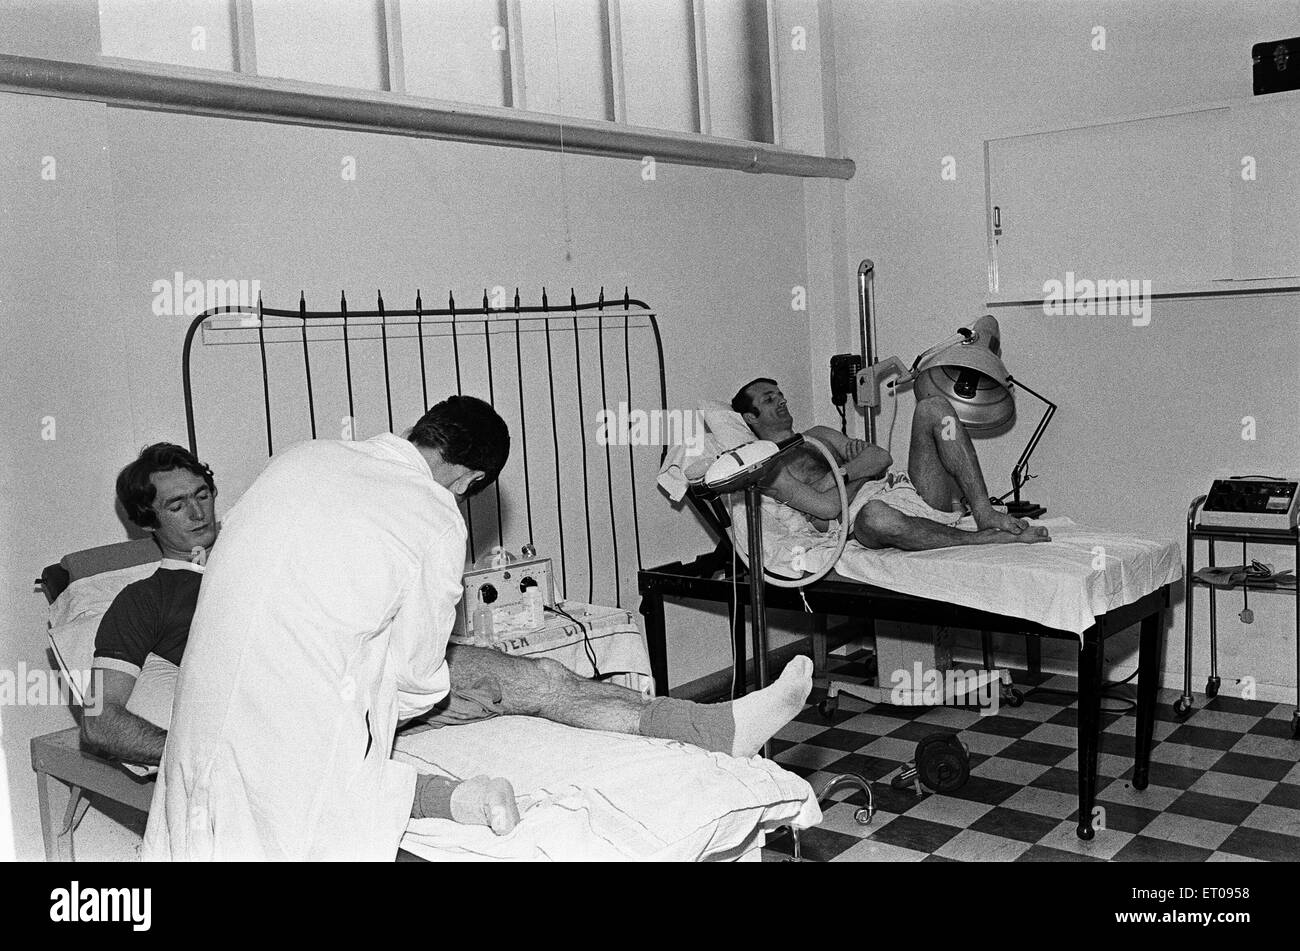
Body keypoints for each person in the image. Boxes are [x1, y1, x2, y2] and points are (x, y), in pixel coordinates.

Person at [123, 401, 808, 860]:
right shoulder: (432, 513)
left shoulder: (302, 458)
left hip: (230, 738)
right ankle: (467, 795)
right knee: (508, 686)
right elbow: (418, 684)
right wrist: (444, 682)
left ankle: (718, 728)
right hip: (302, 737)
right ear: (472, 477)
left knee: (531, 676)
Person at [731, 378, 1050, 550]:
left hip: (906, 491)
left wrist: (836, 477)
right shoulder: (768, 465)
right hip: (863, 520)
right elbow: (828, 510)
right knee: (875, 514)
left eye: (780, 394)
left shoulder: (817, 434)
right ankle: (978, 539)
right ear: (750, 418)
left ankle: (983, 511)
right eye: (769, 400)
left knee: (933, 406)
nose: (782, 400)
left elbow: (881, 457)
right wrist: (858, 470)